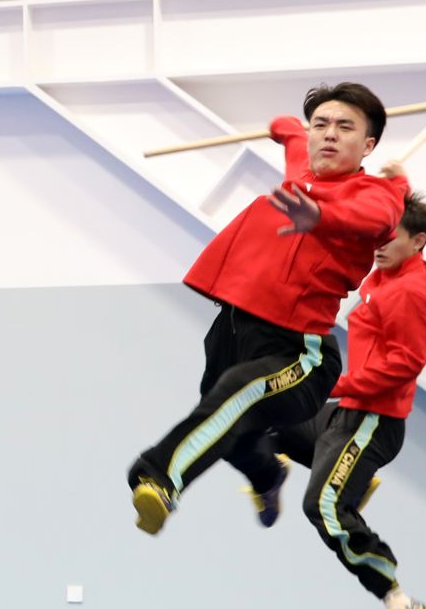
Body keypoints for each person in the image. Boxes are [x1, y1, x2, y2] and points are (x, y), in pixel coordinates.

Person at [127, 83, 407, 538]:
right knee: (223, 421)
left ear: (368, 145)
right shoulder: (301, 174)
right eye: (321, 124)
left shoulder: (374, 194)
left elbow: (378, 219)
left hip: (297, 348)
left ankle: (159, 479)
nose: (329, 134)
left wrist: (323, 218)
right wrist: (284, 127)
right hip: (233, 328)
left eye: (345, 127)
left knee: (235, 397)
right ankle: (269, 475)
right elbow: (293, 138)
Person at [254, 186, 426, 609]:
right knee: (260, 413)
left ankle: (397, 599)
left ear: (418, 241)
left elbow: (405, 364)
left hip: (371, 422)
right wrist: (397, 183)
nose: (377, 244)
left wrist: (335, 385)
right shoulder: (386, 272)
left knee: (321, 507)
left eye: (390, 237)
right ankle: (272, 475)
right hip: (346, 416)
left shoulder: (410, 292)